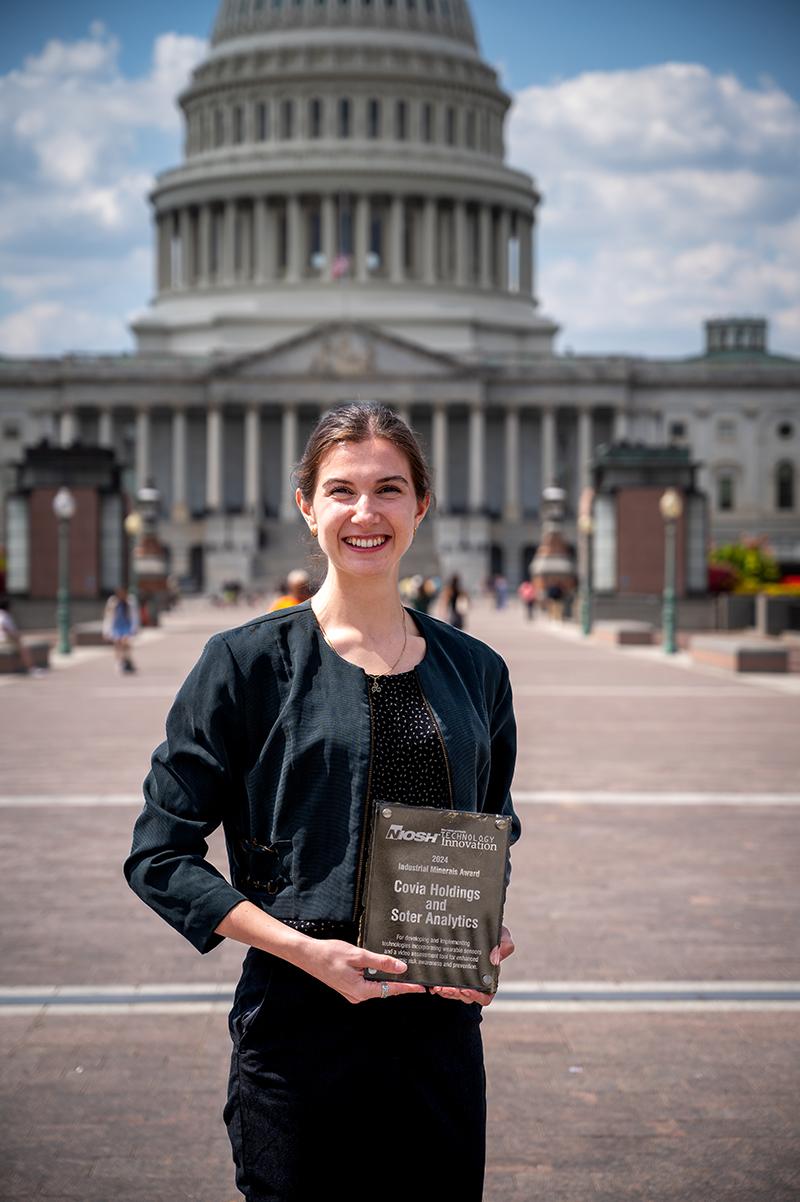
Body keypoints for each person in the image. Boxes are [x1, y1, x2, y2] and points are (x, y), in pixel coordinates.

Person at [123, 402, 520, 1202]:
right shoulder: (244, 664)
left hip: (438, 1028)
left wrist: (483, 920)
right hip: (299, 1024)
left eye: (389, 489)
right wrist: (308, 952)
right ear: (307, 506)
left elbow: (494, 823)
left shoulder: (477, 669)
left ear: (421, 506)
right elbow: (158, 856)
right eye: (342, 491)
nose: (366, 513)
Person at [102, 586, 139, 673]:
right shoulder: (113, 602)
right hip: (116, 627)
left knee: (125, 643)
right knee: (118, 645)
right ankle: (119, 662)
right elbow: (108, 617)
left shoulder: (130, 601)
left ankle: (126, 660)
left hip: (126, 626)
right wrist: (106, 630)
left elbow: (134, 617)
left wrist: (134, 628)